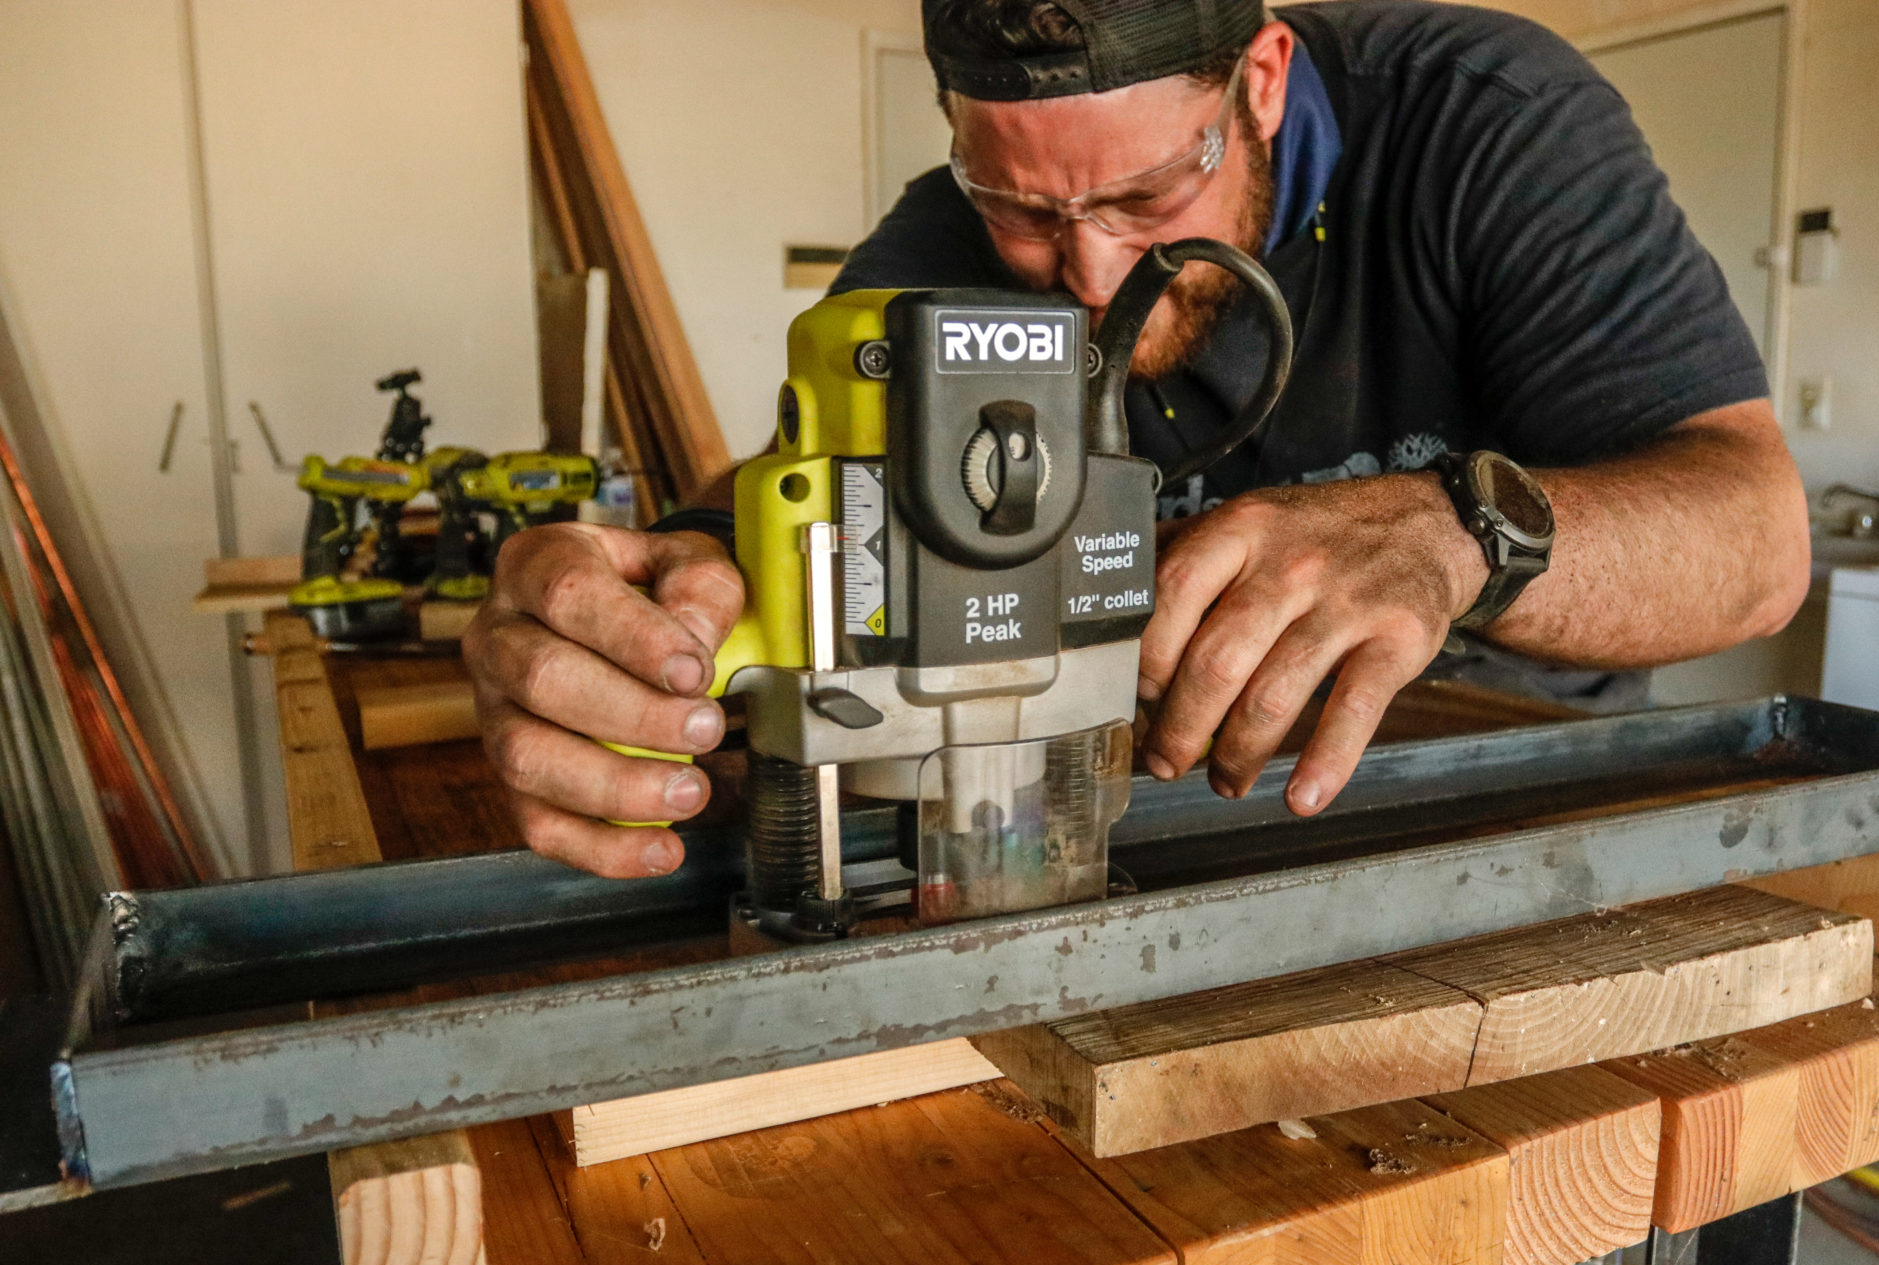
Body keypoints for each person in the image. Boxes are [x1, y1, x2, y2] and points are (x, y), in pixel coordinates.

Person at [464, 0, 1810, 879]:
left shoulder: (1486, 122)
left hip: (1513, 796)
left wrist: (1453, 530)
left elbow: (1757, 539)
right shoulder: (948, 241)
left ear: (1265, 78)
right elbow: (811, 506)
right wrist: (659, 593)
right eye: (1022, 207)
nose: (1094, 273)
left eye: (1154, 187)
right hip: (1173, 815)